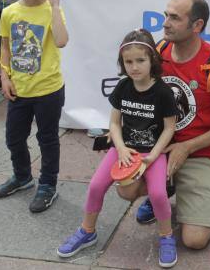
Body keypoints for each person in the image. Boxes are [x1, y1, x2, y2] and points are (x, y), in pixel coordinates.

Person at [57, 29, 178, 266]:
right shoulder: (123, 87)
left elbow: (169, 128)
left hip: (151, 153)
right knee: (95, 186)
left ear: (152, 60)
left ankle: (166, 236)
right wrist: (121, 148)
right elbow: (114, 123)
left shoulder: (163, 92)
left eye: (140, 60)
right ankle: (87, 231)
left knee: (157, 193)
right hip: (124, 150)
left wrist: (153, 156)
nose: (134, 67)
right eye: (128, 62)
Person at [133, 0, 210, 251]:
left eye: (174, 18)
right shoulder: (158, 52)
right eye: (166, 15)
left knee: (194, 240)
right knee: (126, 189)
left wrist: (186, 147)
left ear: (197, 25)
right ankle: (163, 189)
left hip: (201, 152)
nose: (165, 23)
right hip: (160, 146)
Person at [0, 0, 69, 213]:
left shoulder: (52, 10)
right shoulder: (10, 12)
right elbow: (5, 46)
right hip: (20, 88)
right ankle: (22, 176)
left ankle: (48, 184)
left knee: (47, 139)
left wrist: (55, 7)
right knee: (14, 137)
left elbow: (61, 41)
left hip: (49, 89)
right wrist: (5, 77)